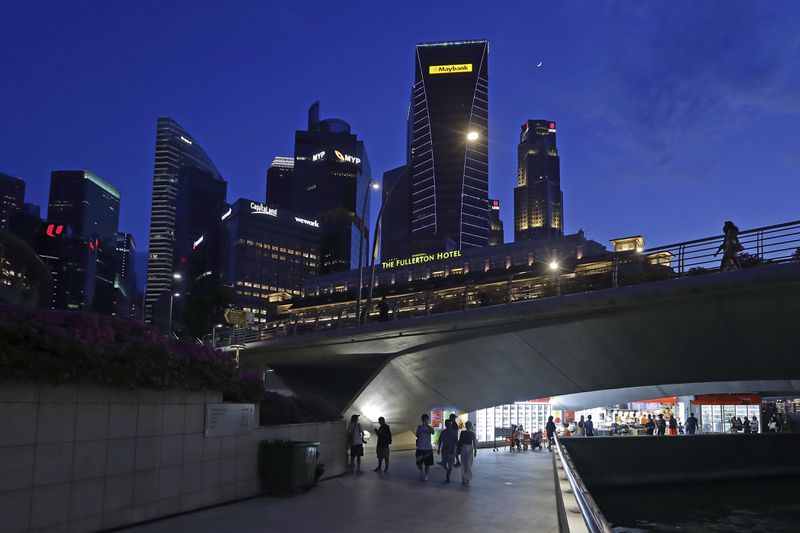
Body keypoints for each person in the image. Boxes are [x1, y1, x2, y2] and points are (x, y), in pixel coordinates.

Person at [415, 413, 435, 480]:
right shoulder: (419, 427)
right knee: (418, 462)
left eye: (425, 419)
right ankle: (421, 470)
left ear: (427, 419)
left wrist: (427, 425)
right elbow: (417, 435)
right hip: (420, 448)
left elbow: (433, 432)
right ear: (421, 419)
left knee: (427, 464)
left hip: (428, 448)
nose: (424, 420)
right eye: (423, 419)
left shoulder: (429, 427)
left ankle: (426, 474)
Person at [457, 420, 478, 485]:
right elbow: (474, 443)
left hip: (463, 447)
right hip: (469, 448)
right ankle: (467, 477)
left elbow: (460, 441)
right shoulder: (472, 433)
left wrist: (458, 449)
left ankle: (464, 478)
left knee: (463, 462)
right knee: (469, 463)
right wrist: (475, 450)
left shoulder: (463, 433)